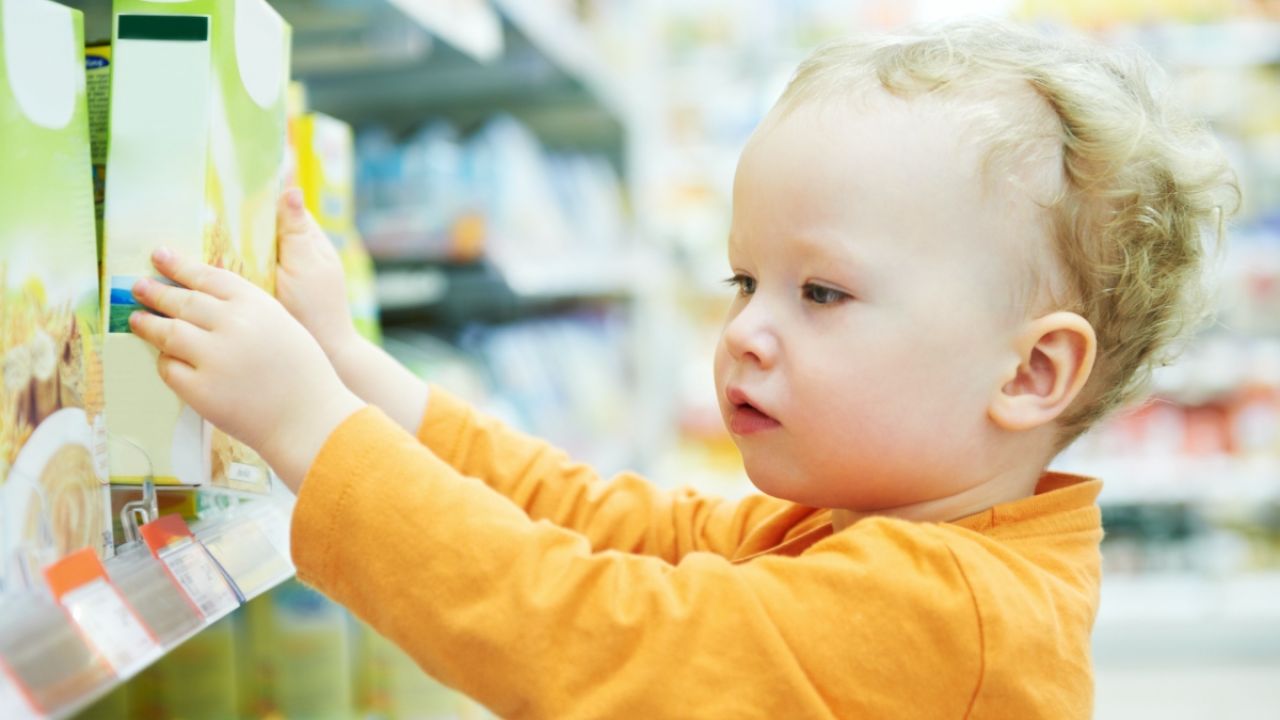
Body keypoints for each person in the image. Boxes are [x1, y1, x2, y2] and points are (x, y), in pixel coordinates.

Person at [127, 18, 1237, 719]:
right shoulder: (872, 523)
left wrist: (312, 429)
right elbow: (614, 525)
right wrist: (359, 376)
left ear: (1030, 372)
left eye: (820, 294)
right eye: (741, 282)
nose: (747, 332)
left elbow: (582, 637)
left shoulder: (946, 613)